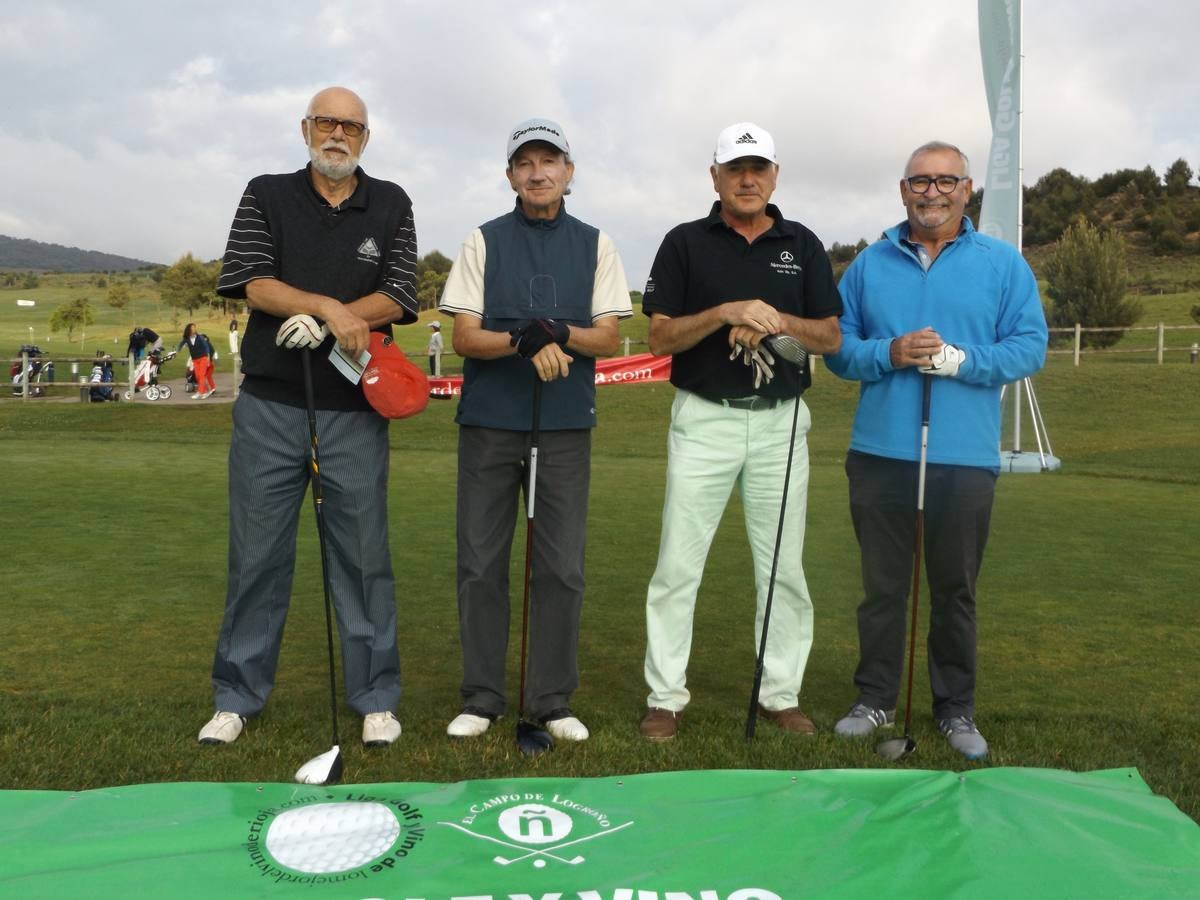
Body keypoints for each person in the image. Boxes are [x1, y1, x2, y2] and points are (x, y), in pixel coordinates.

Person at [198, 85, 418, 749]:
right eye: (327, 121)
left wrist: (342, 316)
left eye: (351, 125)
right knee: (258, 556)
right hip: (270, 403)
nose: (338, 134)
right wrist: (329, 307)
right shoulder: (266, 192)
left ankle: (375, 697)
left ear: (365, 137)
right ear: (305, 128)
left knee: (360, 557)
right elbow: (251, 279)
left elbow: (401, 293)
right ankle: (236, 695)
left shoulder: (392, 202)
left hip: (353, 408)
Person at [824, 141, 1047, 760]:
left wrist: (963, 362)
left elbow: (1030, 346)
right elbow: (838, 349)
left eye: (946, 181)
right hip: (880, 452)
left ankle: (955, 709)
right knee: (882, 589)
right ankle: (874, 699)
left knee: (954, 591)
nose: (932, 192)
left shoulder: (1003, 265)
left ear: (965, 190)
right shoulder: (869, 264)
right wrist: (889, 353)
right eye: (920, 181)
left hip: (964, 456)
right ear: (903, 191)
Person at [638, 122, 842, 741]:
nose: (747, 179)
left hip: (780, 421)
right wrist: (725, 312)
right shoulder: (684, 243)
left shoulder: (801, 244)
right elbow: (659, 336)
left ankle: (782, 693)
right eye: (735, 168)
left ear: (775, 175)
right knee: (678, 564)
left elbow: (830, 337)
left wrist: (774, 319)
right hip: (705, 418)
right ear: (716, 177)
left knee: (783, 567)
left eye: (758, 168)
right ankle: (665, 697)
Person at [438, 118, 632, 741]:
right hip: (492, 421)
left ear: (569, 172)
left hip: (566, 423)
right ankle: (482, 696)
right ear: (511, 175)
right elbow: (466, 335)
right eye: (526, 163)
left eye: (550, 161)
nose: (538, 172)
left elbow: (606, 335)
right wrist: (523, 340)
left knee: (560, 567)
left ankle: (551, 698)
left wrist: (556, 334)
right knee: (480, 562)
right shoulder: (483, 240)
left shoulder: (596, 243)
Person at [178, 323, 216, 399]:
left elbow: (206, 346)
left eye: (195, 327)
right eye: (192, 328)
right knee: (198, 376)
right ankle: (205, 391)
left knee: (202, 375)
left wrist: (208, 355)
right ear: (189, 329)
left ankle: (200, 392)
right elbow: (181, 344)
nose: (194, 329)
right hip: (195, 359)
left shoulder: (200, 337)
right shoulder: (186, 338)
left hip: (203, 358)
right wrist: (177, 351)